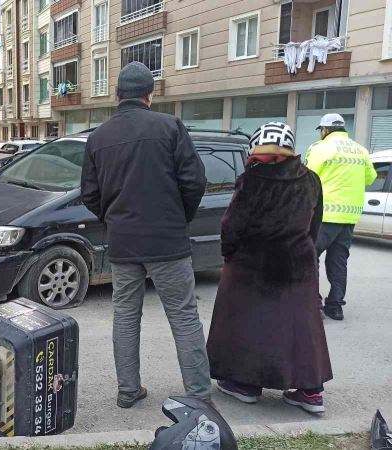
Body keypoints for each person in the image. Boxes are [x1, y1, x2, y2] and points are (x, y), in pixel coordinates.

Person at [81, 62, 210, 408]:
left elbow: (89, 194)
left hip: (123, 243)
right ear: (150, 95)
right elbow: (195, 181)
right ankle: (198, 396)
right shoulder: (170, 127)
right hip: (168, 241)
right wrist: (178, 218)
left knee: (125, 315)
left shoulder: (98, 137)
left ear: (118, 95)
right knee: (183, 317)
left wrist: (114, 219)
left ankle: (128, 390)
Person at [206, 122, 333, 414]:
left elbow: (232, 225)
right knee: (301, 328)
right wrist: (305, 254)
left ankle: (245, 385)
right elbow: (315, 225)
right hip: (297, 266)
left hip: (251, 268)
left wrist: (229, 254)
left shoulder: (251, 179)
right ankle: (310, 392)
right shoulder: (311, 180)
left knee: (246, 325)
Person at [304, 114, 377, 320]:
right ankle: (335, 307)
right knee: (338, 261)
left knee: (310, 257)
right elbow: (370, 178)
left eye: (321, 130)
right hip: (349, 218)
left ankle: (313, 303)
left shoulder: (320, 148)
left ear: (325, 130)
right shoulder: (361, 151)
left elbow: (307, 176)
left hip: (325, 215)